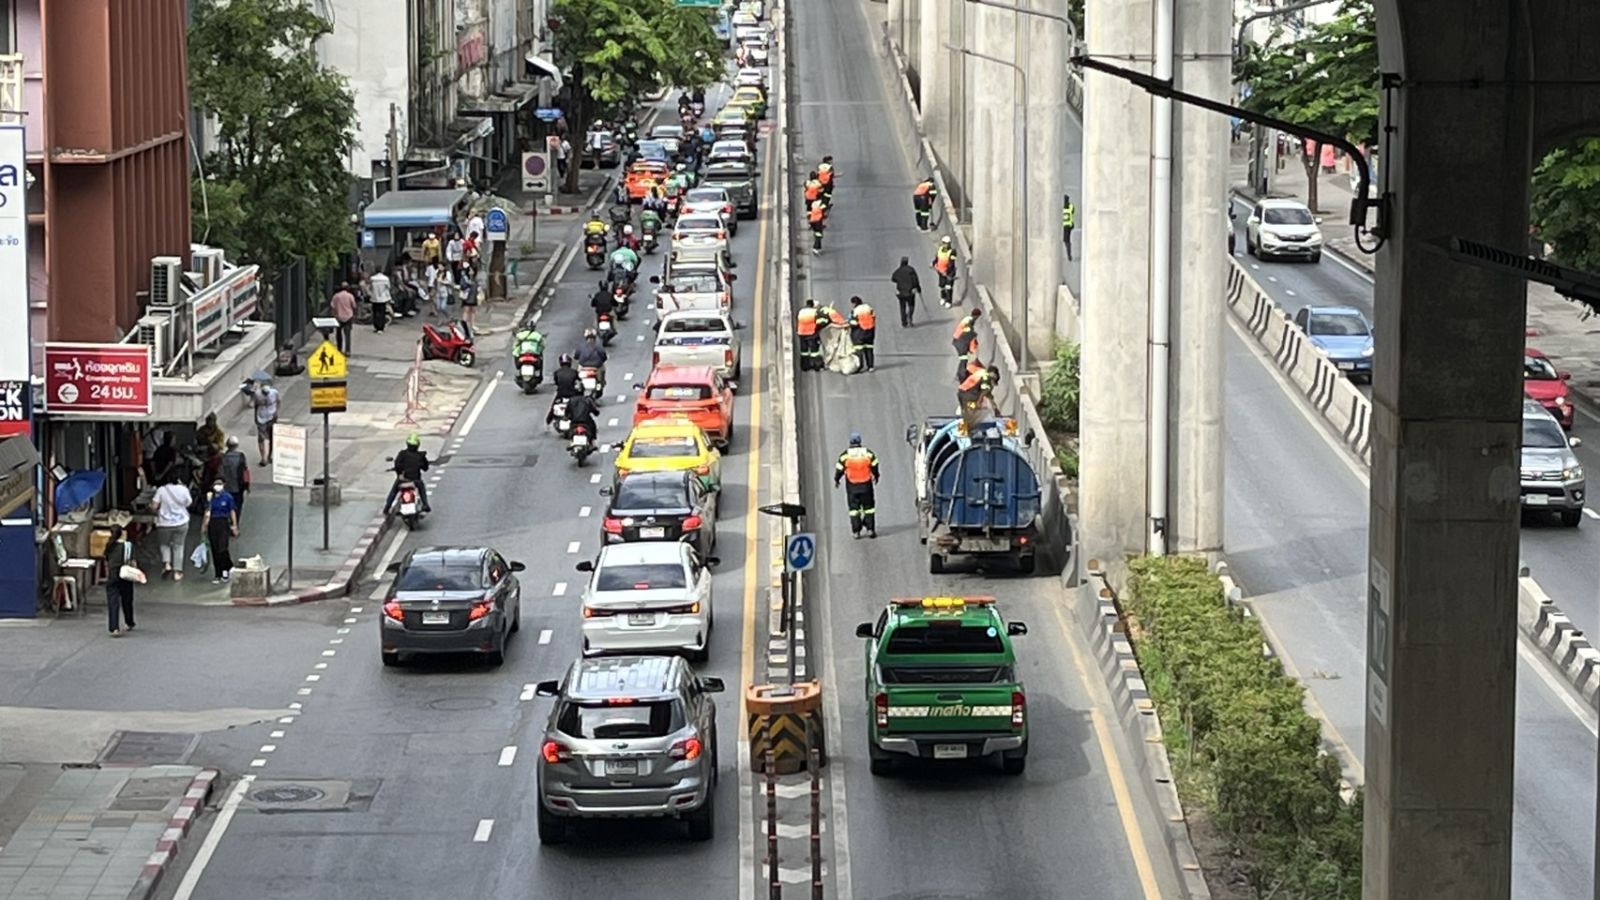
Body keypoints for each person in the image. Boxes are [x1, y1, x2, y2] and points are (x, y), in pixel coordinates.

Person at [834, 433, 881, 539]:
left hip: (852, 486)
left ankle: (856, 531)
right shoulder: (867, 453)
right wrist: (876, 475)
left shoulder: (845, 455)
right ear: (860, 442)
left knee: (854, 510)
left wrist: (837, 480)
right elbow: (875, 465)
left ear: (850, 442)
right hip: (866, 485)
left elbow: (839, 469)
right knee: (869, 508)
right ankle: (870, 529)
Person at [152, 472, 193, 582]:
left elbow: (154, 506)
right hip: (181, 522)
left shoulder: (161, 490)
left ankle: (167, 564)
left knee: (164, 544)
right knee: (178, 546)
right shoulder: (184, 489)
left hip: (164, 523)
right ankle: (177, 572)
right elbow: (189, 503)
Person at [201, 478, 238, 584]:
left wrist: (234, 525)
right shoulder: (210, 498)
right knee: (215, 549)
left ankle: (226, 569)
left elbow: (232, 511)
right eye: (215, 484)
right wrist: (204, 527)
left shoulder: (227, 497)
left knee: (223, 548)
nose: (217, 486)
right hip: (212, 523)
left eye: (220, 484)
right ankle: (218, 574)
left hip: (223, 523)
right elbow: (207, 512)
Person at [103, 525, 137, 635]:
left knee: (113, 601)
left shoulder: (109, 546)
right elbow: (133, 562)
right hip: (125, 574)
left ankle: (114, 628)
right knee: (127, 600)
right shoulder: (128, 546)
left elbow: (107, 560)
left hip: (113, 575)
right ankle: (129, 622)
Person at [386, 434, 432, 513]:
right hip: (415, 481)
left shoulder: (402, 454)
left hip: (402, 480)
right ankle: (425, 504)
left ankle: (387, 507)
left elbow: (397, 465)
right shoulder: (420, 456)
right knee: (421, 488)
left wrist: (399, 472)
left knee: (393, 491)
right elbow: (425, 468)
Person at [216, 436, 250, 522]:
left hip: (227, 487)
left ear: (227, 445)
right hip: (239, 486)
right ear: (237, 445)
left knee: (226, 505)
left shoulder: (223, 458)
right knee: (237, 506)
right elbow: (245, 471)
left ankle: (228, 521)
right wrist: (247, 485)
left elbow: (220, 473)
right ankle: (235, 523)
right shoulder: (241, 456)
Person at [547, 355, 582, 426]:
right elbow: (578, 381)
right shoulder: (574, 372)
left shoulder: (557, 372)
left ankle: (548, 421)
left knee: (553, 406)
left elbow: (556, 382)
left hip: (561, 394)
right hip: (572, 394)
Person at [890, 256, 921, 327]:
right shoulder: (911, 270)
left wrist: (899, 281)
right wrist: (918, 289)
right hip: (910, 292)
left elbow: (893, 279)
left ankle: (904, 322)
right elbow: (915, 280)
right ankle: (909, 316)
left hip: (901, 292)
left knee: (902, 307)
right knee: (911, 305)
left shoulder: (898, 271)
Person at [849, 295, 877, 372]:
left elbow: (854, 323)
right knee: (869, 349)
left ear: (854, 303)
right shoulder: (869, 308)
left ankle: (859, 366)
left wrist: (849, 323)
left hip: (859, 333)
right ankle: (870, 366)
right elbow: (873, 318)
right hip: (870, 332)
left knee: (859, 351)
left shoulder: (855, 311)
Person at [952, 308, 982, 381]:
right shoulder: (969, 321)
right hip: (960, 341)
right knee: (964, 359)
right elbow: (968, 332)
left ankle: (960, 374)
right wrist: (973, 335)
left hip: (959, 340)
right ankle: (961, 375)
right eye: (978, 317)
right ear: (976, 315)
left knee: (964, 359)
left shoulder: (967, 319)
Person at [330, 282, 357, 355]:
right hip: (348, 316)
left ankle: (339, 348)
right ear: (347, 288)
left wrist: (334, 315)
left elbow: (332, 306)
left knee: (338, 333)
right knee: (347, 334)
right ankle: (347, 351)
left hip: (339, 316)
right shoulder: (350, 296)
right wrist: (354, 315)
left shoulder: (336, 296)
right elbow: (354, 306)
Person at [796, 299, 822, 371]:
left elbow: (798, 320)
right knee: (814, 351)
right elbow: (819, 322)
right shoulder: (815, 312)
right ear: (812, 305)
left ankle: (805, 366)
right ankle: (816, 366)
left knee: (804, 351)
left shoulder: (801, 311)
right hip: (811, 333)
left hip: (801, 333)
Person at [932, 236, 958, 307]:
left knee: (948, 287)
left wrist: (946, 271)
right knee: (942, 286)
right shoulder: (940, 249)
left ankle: (949, 301)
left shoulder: (952, 252)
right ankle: (943, 298)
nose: (945, 245)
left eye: (947, 243)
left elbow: (951, 263)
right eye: (944, 243)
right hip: (941, 271)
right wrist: (933, 264)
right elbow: (937, 258)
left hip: (949, 272)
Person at [1061, 194, 1076, 261]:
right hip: (1069, 225)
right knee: (1067, 240)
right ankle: (1069, 254)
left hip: (1064, 225)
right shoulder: (1071, 206)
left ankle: (1069, 254)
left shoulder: (1062, 207)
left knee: (1066, 241)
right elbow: (1073, 211)